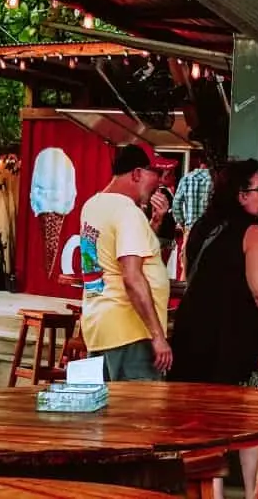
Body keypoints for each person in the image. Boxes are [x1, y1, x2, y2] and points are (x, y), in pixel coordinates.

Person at [169, 159, 258, 498]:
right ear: (242, 194)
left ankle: (211, 494)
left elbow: (193, 275)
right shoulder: (254, 232)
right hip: (235, 339)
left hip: (191, 335)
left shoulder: (201, 227)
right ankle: (253, 494)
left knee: (204, 427)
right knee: (250, 425)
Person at [77, 145, 176, 381]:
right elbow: (132, 276)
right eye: (157, 174)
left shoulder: (93, 205)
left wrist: (154, 223)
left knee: (109, 412)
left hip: (100, 326)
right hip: (130, 332)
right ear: (137, 174)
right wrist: (157, 336)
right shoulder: (127, 212)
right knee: (139, 414)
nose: (160, 183)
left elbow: (117, 255)